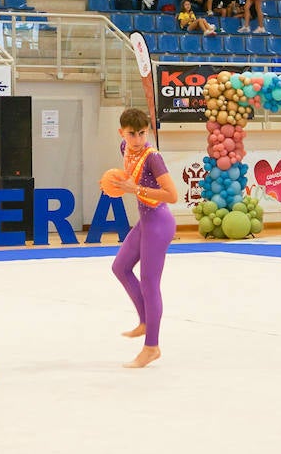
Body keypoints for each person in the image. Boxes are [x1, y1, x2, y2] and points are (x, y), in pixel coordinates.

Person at [104, 108, 180, 369]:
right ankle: (146, 321)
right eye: (132, 134)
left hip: (159, 222)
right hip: (145, 221)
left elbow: (172, 195)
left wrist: (134, 188)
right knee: (120, 267)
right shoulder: (124, 147)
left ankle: (151, 346)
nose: (137, 139)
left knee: (149, 283)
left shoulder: (153, 157)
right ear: (121, 133)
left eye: (142, 133)